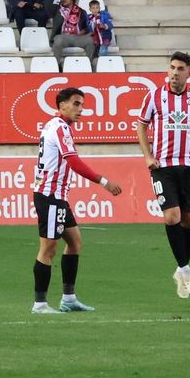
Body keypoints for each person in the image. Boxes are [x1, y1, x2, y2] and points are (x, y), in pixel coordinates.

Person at [30, 86, 123, 314]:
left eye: (82, 104)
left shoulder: (55, 126)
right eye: (76, 103)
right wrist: (103, 181)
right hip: (50, 196)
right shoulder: (60, 128)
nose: (80, 109)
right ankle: (40, 304)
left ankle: (68, 299)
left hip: (57, 196)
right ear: (62, 106)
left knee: (75, 242)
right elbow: (74, 162)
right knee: (48, 248)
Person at [136, 52, 190, 300]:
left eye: (180, 68)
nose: (174, 72)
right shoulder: (154, 96)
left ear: (189, 72)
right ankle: (184, 269)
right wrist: (147, 156)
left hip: (189, 167)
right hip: (163, 167)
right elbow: (141, 124)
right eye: (172, 68)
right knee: (172, 216)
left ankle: (181, 269)